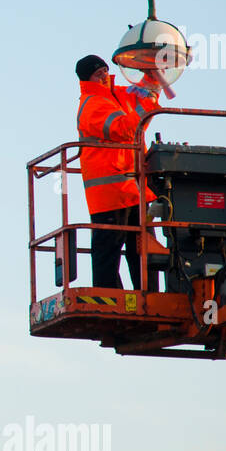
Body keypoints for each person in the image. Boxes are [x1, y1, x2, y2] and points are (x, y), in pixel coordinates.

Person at [74, 54, 154, 289]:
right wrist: (146, 110)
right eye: (97, 73)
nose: (102, 75)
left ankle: (148, 295)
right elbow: (124, 130)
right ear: (87, 78)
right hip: (110, 191)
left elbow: (143, 93)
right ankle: (108, 298)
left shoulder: (117, 95)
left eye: (104, 71)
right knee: (109, 249)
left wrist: (154, 70)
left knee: (142, 248)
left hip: (132, 188)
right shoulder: (92, 104)